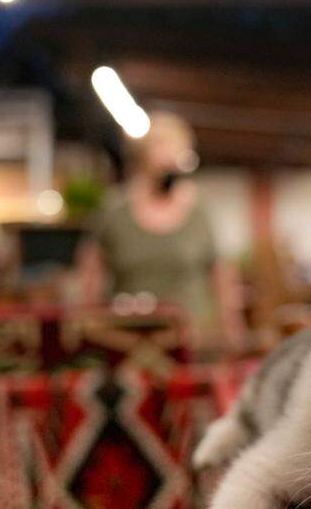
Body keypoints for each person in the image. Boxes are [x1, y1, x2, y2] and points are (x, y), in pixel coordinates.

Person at [77, 112, 246, 354]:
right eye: (161, 145)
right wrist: (91, 327)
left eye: (176, 147)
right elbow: (90, 275)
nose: (170, 156)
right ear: (141, 155)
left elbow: (221, 275)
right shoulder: (114, 211)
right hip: (126, 341)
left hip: (193, 341)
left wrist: (232, 329)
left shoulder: (200, 212)